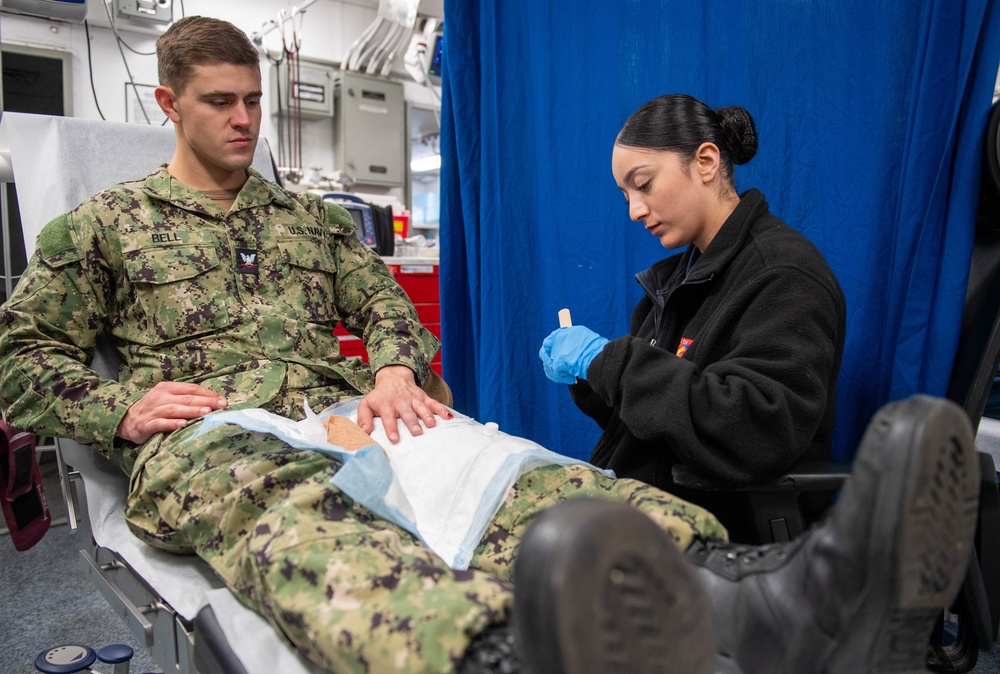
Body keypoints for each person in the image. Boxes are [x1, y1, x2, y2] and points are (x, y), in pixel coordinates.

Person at [0, 18, 977, 674]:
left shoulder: (304, 222)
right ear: (169, 105)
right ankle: (502, 648)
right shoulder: (103, 229)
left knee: (515, 478)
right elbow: (20, 357)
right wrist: (113, 408)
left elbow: (383, 302)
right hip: (222, 440)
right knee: (314, 526)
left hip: (347, 413)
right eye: (221, 102)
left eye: (253, 98)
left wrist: (392, 363)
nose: (247, 120)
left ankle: (773, 595)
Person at [539, 94, 848, 541]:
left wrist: (607, 361)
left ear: (705, 161)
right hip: (648, 508)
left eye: (643, 184)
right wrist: (590, 377)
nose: (634, 210)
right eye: (625, 195)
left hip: (723, 536)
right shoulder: (680, 281)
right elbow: (660, 421)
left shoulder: (782, 275)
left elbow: (755, 430)